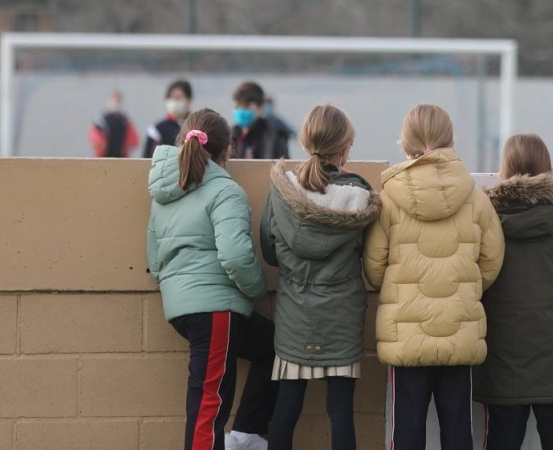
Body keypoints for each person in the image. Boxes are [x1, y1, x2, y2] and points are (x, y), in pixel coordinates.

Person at [363, 104, 505, 450]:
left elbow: (374, 266)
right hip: (460, 328)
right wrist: (464, 290)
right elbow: (492, 260)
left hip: (406, 334)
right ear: (450, 139)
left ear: (406, 142)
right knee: (458, 430)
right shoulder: (476, 197)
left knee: (406, 429)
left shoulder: (389, 199)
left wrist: (401, 292)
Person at [145, 108, 278, 450]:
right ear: (228, 150)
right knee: (208, 406)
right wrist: (257, 289)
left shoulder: (164, 192)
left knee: (276, 347)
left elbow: (154, 255)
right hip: (215, 310)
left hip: (187, 308)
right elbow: (235, 256)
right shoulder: (226, 191)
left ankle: (246, 434)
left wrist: (178, 288)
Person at [260, 105, 381, 450]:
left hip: (295, 314)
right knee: (341, 411)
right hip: (342, 315)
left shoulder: (282, 191)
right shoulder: (360, 196)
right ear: (345, 147)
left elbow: (269, 251)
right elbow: (371, 254)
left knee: (287, 406)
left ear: (305, 141)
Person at [474, 134, 553, 450]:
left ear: (505, 171)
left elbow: (472, 280)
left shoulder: (487, 224)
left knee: (501, 439)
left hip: (501, 351)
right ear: (547, 168)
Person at [231, 82, 289, 159]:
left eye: (247, 106)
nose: (241, 110)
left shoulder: (274, 135)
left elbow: (285, 165)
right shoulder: (230, 135)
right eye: (237, 106)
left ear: (261, 108)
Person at [143, 79, 193, 158]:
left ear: (189, 100)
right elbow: (147, 158)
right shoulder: (157, 130)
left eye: (178, 97)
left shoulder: (196, 126)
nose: (175, 102)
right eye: (172, 98)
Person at [88, 91, 139, 157]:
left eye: (117, 101)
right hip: (103, 157)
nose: (115, 103)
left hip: (121, 157)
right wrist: (101, 144)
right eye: (113, 100)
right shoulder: (102, 121)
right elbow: (95, 135)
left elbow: (133, 139)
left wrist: (126, 146)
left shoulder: (124, 121)